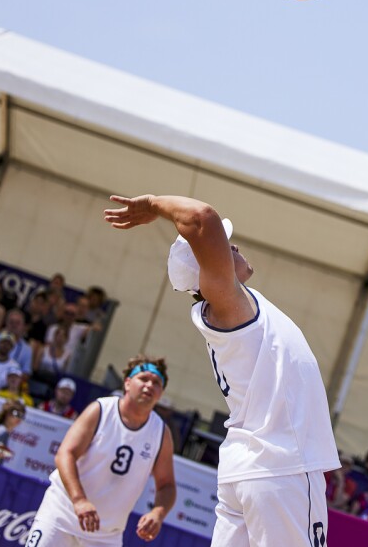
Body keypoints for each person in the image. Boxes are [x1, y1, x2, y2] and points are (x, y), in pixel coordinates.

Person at [104, 193, 340, 547]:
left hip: (250, 466)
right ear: (207, 272)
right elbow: (202, 217)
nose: (234, 247)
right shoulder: (228, 303)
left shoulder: (233, 307)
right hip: (280, 465)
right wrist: (153, 204)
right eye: (226, 247)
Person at [26, 355, 176, 545]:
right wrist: (79, 500)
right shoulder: (101, 410)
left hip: (106, 535)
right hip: (62, 515)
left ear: (160, 394)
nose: (149, 385)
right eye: (144, 378)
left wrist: (158, 512)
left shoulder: (160, 433)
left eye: (156, 383)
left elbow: (167, 485)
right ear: (128, 383)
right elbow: (65, 454)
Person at [0, 399, 26, 465]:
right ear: (8, 413)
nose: (19, 418)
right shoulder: (2, 431)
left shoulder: (1, 429)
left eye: (22, 416)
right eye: (17, 414)